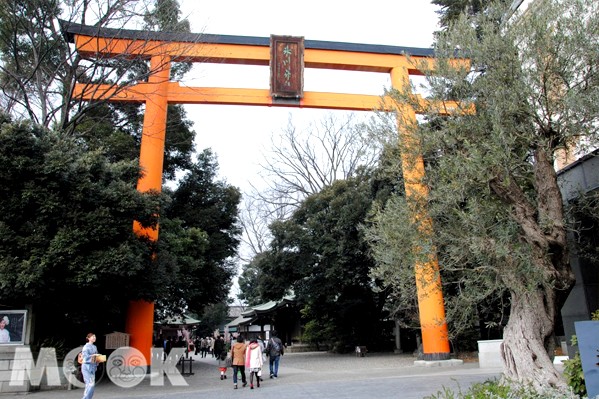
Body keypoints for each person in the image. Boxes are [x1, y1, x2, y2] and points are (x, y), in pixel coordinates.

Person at [81, 333, 99, 399]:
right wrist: (94, 356)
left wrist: (99, 358)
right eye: (93, 336)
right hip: (86, 367)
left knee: (92, 385)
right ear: (88, 338)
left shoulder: (95, 347)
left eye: (95, 336)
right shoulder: (86, 347)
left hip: (92, 367)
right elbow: (85, 358)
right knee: (89, 384)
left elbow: (96, 357)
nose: (94, 337)